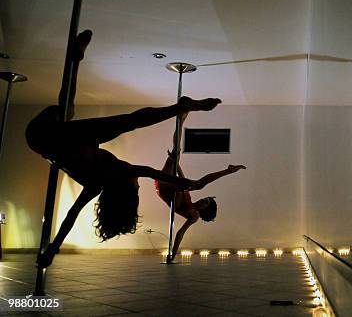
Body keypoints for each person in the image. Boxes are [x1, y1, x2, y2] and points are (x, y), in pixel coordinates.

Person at [28, 30, 222, 268]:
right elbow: (71, 216)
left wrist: (184, 182)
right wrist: (52, 251)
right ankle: (75, 61)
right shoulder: (95, 186)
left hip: (52, 137)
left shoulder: (121, 173)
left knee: (123, 122)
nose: (138, 185)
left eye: (136, 190)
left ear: (128, 193)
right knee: (72, 110)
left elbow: (149, 171)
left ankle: (179, 108)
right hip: (45, 139)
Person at [155, 111, 246, 260]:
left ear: (205, 210)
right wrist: (176, 163)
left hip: (165, 188)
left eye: (205, 203)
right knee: (176, 152)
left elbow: (180, 233)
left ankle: (228, 171)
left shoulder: (194, 216)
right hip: (171, 182)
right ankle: (181, 120)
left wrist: (172, 254)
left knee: (196, 184)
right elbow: (183, 178)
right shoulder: (189, 196)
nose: (203, 201)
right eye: (206, 200)